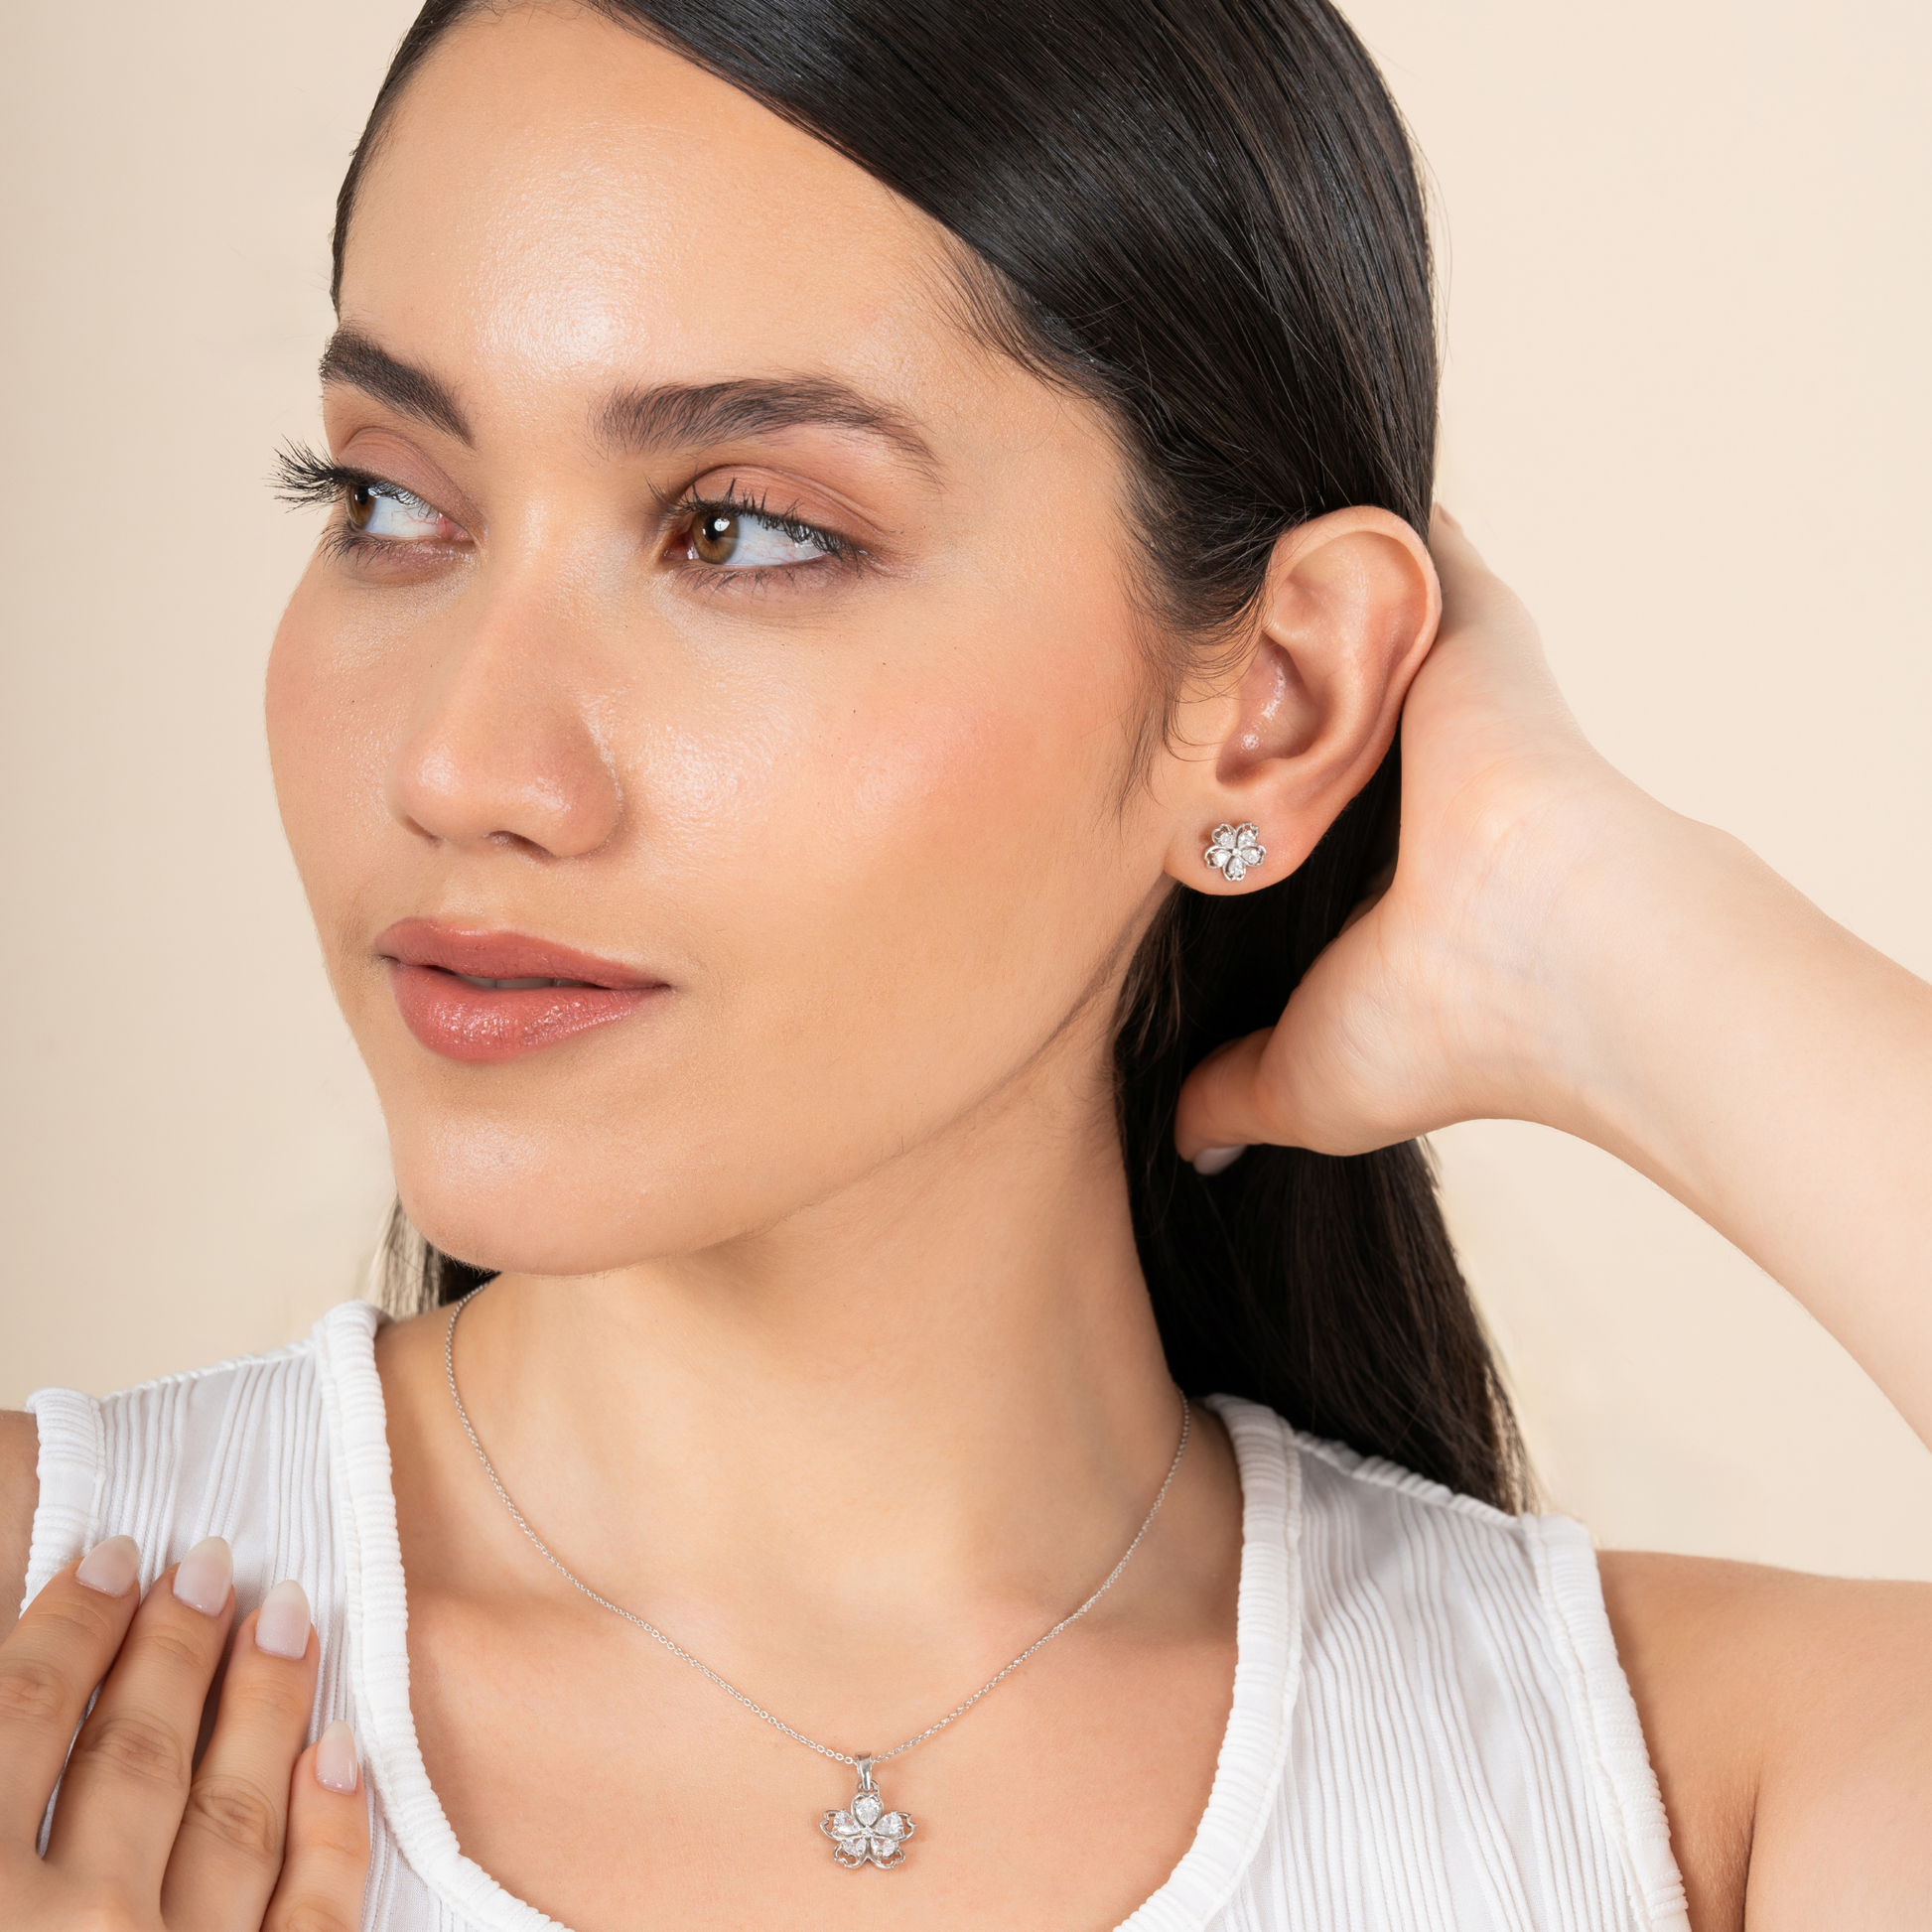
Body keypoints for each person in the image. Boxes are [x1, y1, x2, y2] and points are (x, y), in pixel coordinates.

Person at [4, 1, 1929, 1926]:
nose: (460, 765)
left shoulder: (1700, 1797)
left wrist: (1592, 931)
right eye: (391, 499)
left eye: (741, 530)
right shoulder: (48, 1640)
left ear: (1267, 699)